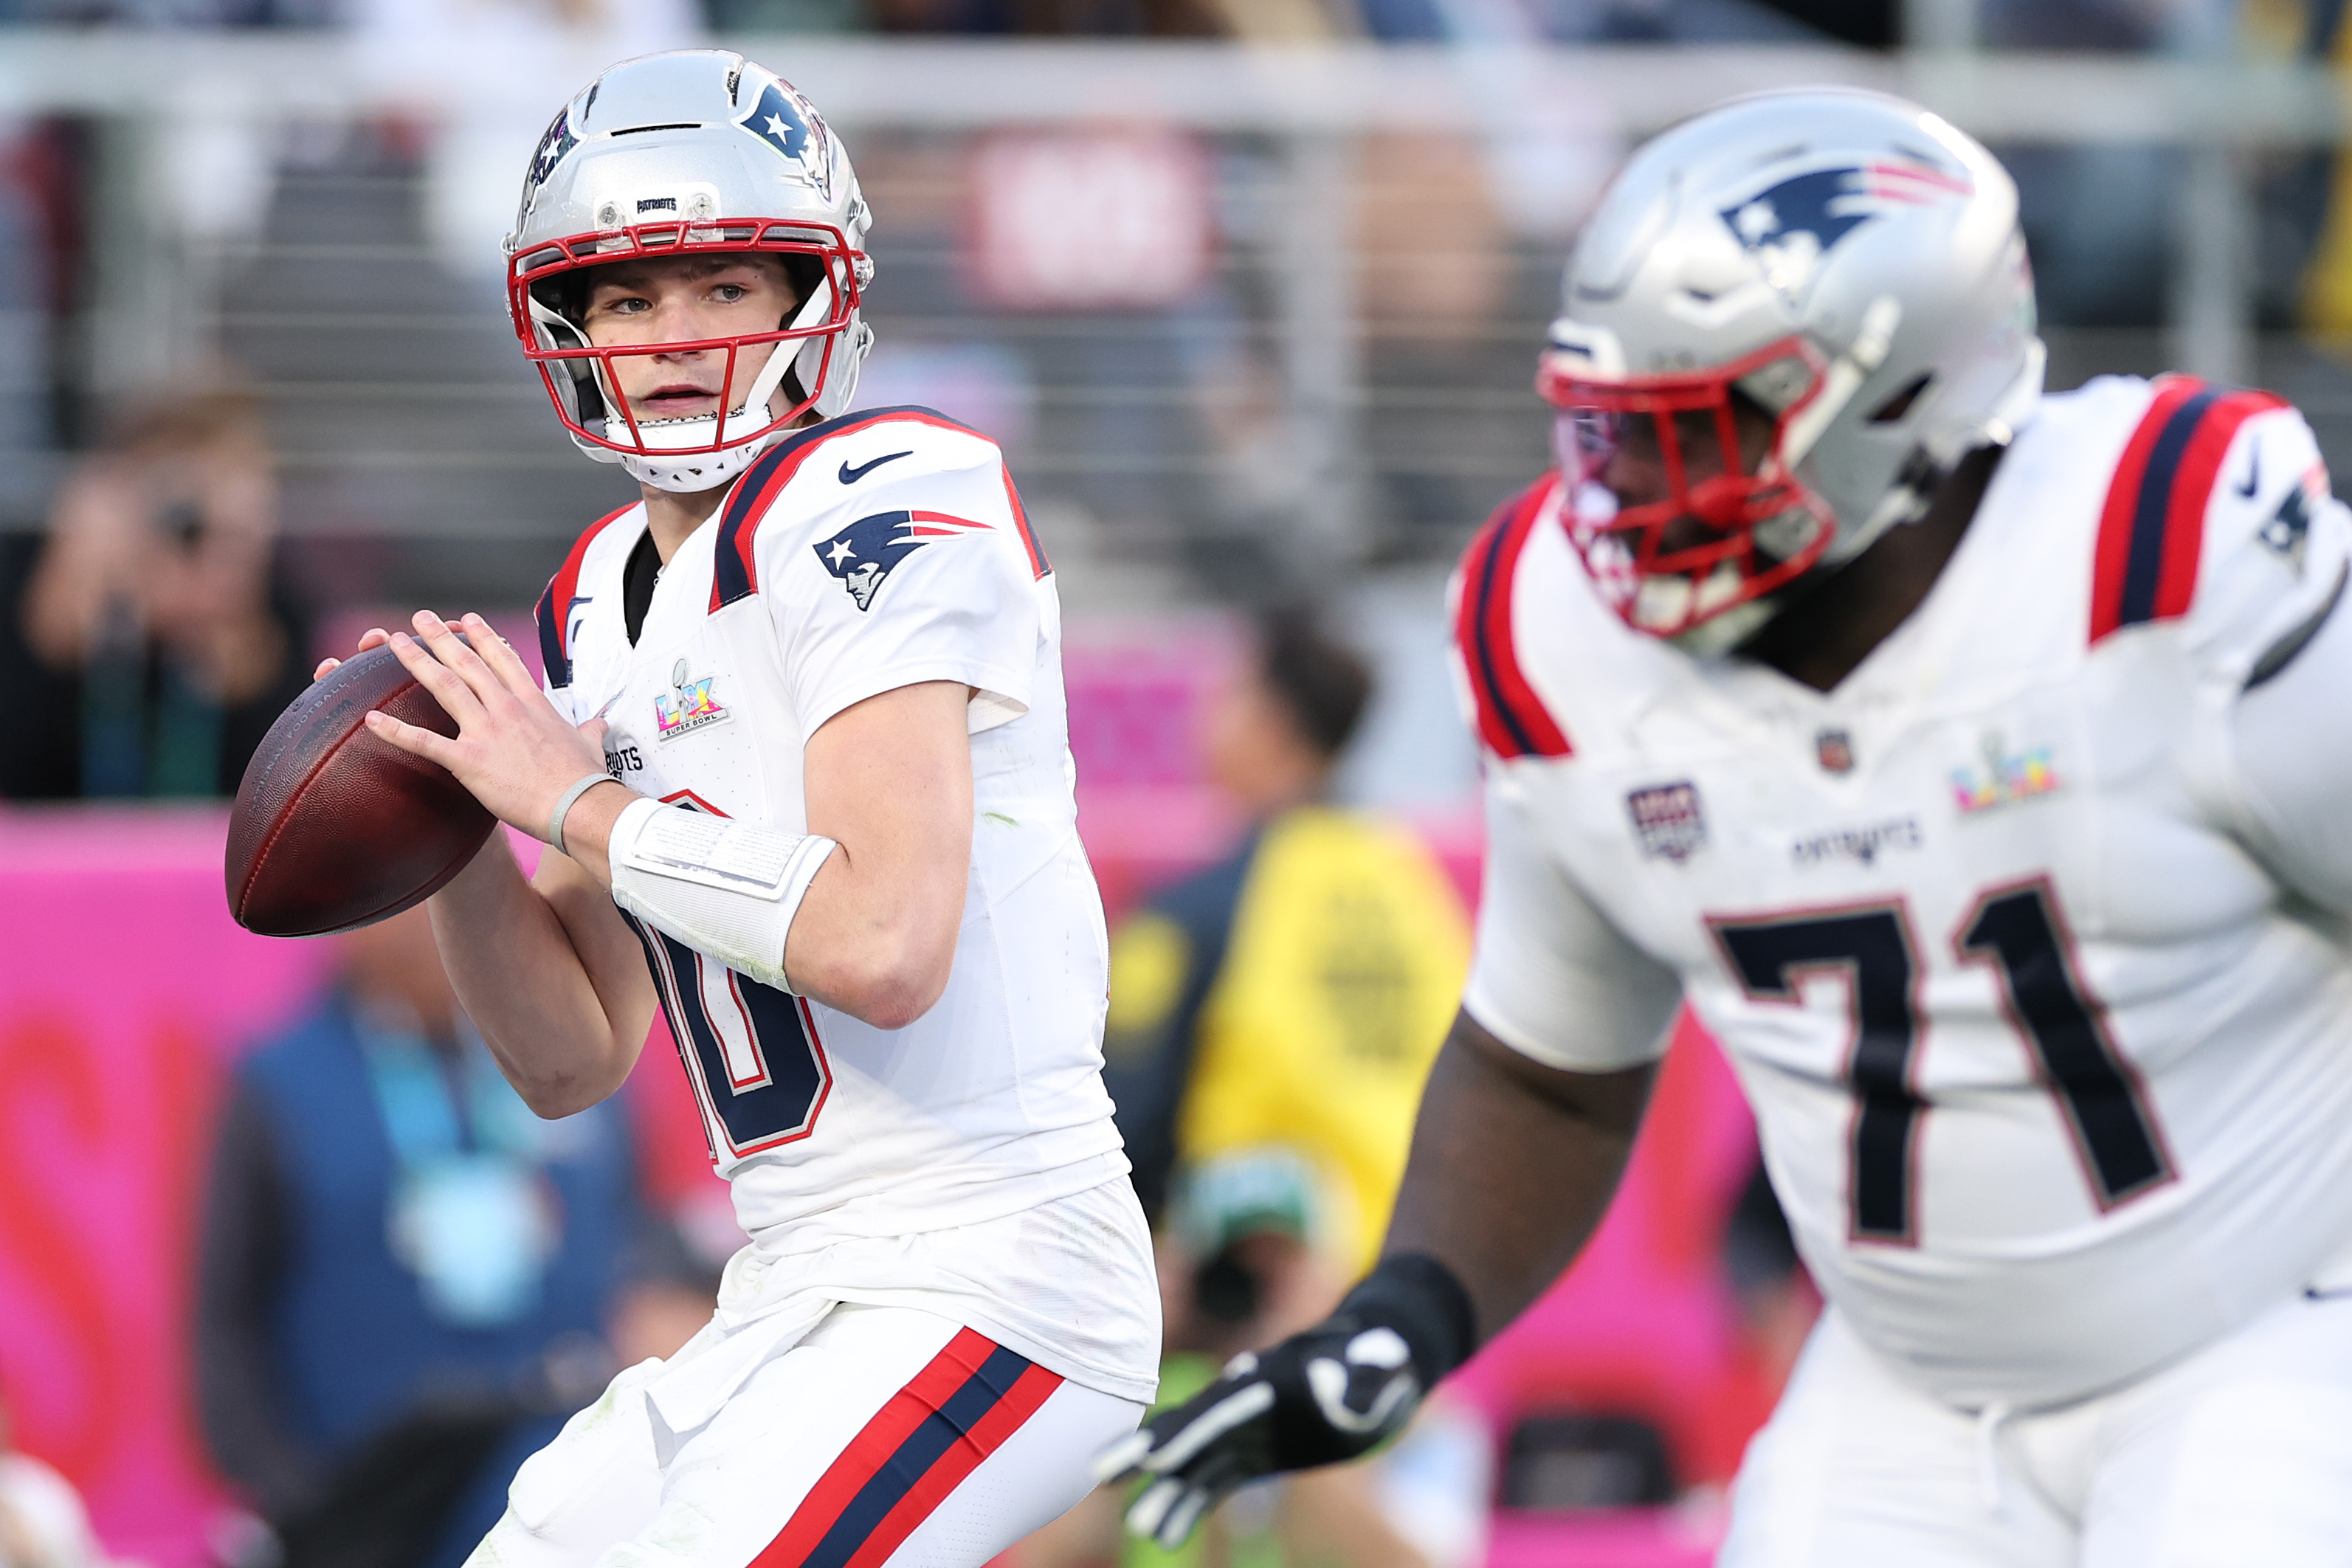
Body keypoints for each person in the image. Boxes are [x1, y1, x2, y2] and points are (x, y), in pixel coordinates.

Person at [1106, 87, 2352, 1563]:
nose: (1624, 488)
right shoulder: (1554, 634)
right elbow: (1551, 1068)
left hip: (2263, 1331)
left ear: (1900, 403)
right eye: (1609, 428)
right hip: (1906, 1389)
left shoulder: (2161, 553)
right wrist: (1404, 1316)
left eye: (1695, 428)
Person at [317, 49, 1158, 1568]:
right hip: (792, 1289)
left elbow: (886, 946)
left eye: (721, 286)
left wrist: (571, 799)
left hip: (994, 1266)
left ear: (811, 295)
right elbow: (570, 1058)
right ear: (568, 328)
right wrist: (452, 823)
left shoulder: (890, 492)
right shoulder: (594, 594)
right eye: (629, 298)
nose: (675, 337)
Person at [195, 904, 654, 1568]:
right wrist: (306, 1508)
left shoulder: (582, 1061)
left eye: (450, 892)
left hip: (573, 1496)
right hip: (377, 1508)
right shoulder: (279, 1083)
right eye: (402, 898)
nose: (430, 922)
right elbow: (225, 1317)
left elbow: (642, 1250)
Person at [1100, 610, 1469, 1271]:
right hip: (1406, 1260)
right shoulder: (1414, 891)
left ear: (1270, 724)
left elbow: (1122, 1118)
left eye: (1229, 694)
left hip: (1250, 1277)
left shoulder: (1194, 911)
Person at [10, 387, 308, 800]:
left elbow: (282, 792)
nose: (182, 532)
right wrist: (71, 614)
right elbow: (22, 766)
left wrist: (231, 635)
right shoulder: (32, 572)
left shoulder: (277, 603)